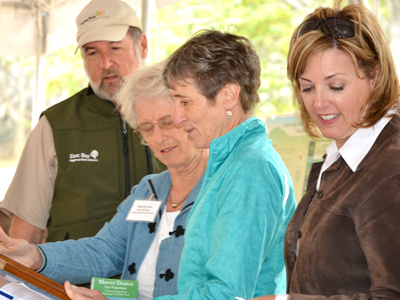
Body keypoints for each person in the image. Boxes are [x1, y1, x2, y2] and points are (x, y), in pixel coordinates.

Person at [0, 62, 209, 299]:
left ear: (191, 116)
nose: (159, 137)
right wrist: (35, 256)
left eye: (167, 122)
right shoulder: (148, 189)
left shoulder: (227, 188)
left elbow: (223, 289)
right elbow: (104, 251)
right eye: (147, 128)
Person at [252, 0, 400, 299]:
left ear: (375, 76)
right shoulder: (339, 157)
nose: (318, 103)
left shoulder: (391, 166)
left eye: (335, 87)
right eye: (307, 88)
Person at [0, 0, 165, 244]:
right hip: (74, 279)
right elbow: (27, 229)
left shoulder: (178, 112)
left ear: (142, 45)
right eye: (92, 52)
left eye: (115, 49)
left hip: (162, 276)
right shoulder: (55, 125)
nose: (105, 63)